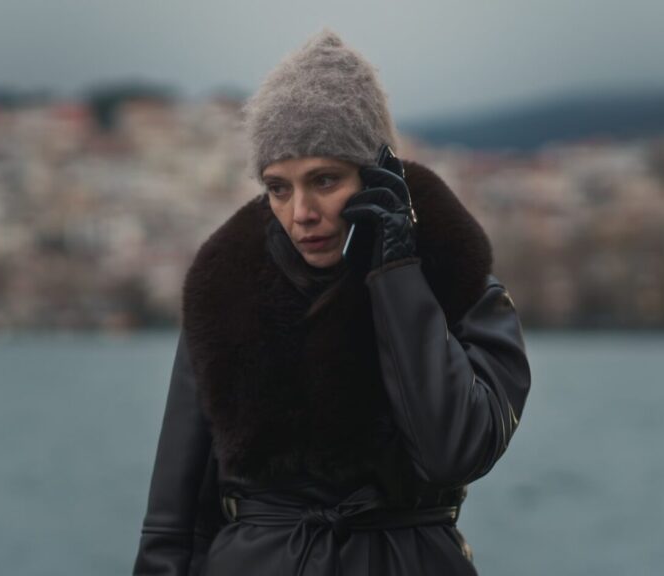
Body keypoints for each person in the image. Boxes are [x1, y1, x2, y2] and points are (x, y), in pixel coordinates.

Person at [132, 27, 531, 576]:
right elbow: (173, 522)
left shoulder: (462, 286)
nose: (301, 212)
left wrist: (398, 276)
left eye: (324, 180)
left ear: (378, 175)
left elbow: (452, 452)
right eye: (278, 187)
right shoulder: (224, 291)